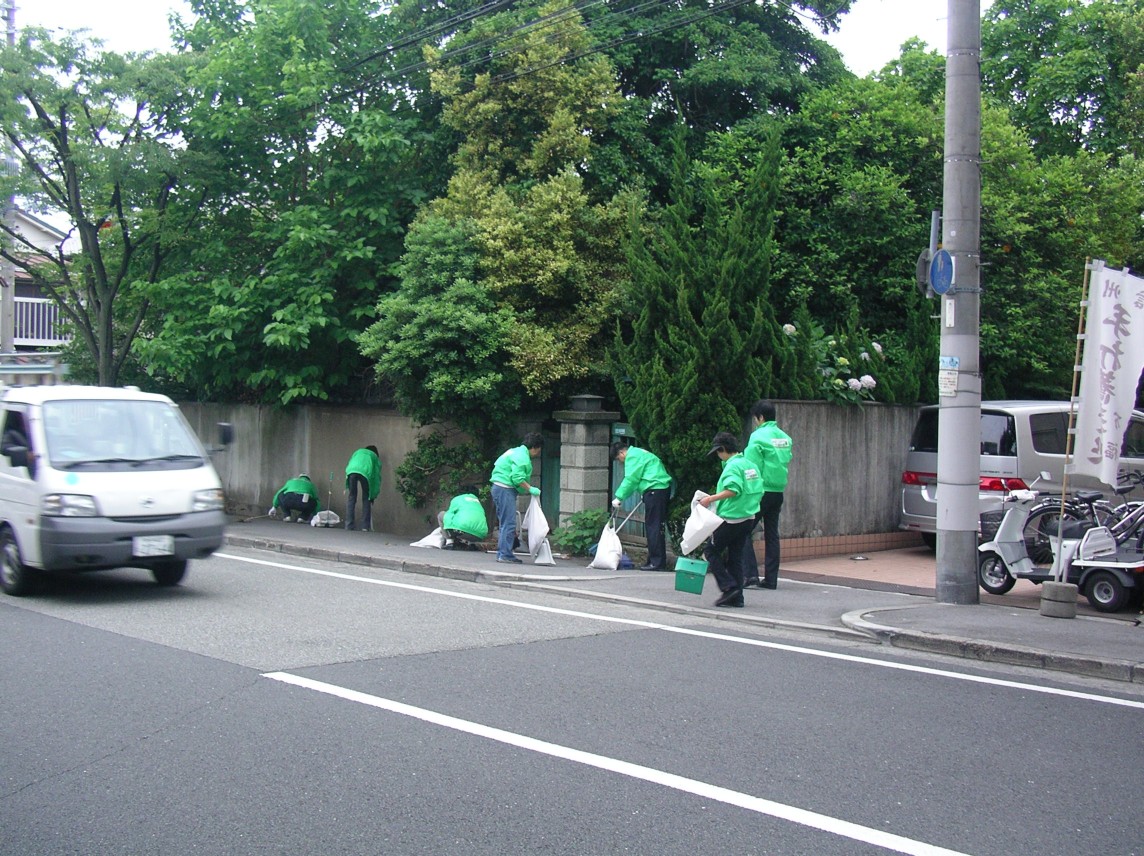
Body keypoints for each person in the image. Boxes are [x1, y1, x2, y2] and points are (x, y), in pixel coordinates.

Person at [699, 431, 763, 608]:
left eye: (718, 452)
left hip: (732, 518)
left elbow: (733, 490)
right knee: (735, 557)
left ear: (724, 449)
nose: (719, 457)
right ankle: (737, 597)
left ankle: (729, 587)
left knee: (710, 552)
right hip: (748, 516)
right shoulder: (750, 465)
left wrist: (710, 499)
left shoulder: (733, 467)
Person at [741, 399, 793, 589]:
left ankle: (750, 575)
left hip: (760, 492)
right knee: (772, 535)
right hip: (778, 491)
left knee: (744, 531)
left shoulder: (758, 436)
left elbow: (750, 466)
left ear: (760, 417)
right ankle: (771, 580)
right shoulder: (784, 438)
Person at [610, 442, 672, 571]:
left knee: (653, 526)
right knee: (656, 526)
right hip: (659, 489)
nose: (620, 462)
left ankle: (656, 563)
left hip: (655, 490)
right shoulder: (640, 452)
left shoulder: (632, 456)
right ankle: (654, 560)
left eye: (618, 459)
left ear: (621, 453)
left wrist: (619, 497)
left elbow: (631, 479)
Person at [489, 432, 543, 564]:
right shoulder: (522, 457)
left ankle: (504, 553)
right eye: (539, 450)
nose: (538, 453)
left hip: (499, 487)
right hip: (505, 488)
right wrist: (530, 488)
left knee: (505, 523)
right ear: (534, 447)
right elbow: (517, 478)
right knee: (509, 523)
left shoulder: (514, 451)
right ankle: (505, 554)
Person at [345, 445, 382, 531]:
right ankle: (365, 527)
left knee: (352, 498)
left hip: (351, 471)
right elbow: (376, 479)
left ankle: (349, 525)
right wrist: (372, 495)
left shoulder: (358, 451)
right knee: (366, 498)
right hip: (365, 472)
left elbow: (350, 463)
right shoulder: (374, 457)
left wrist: (347, 485)